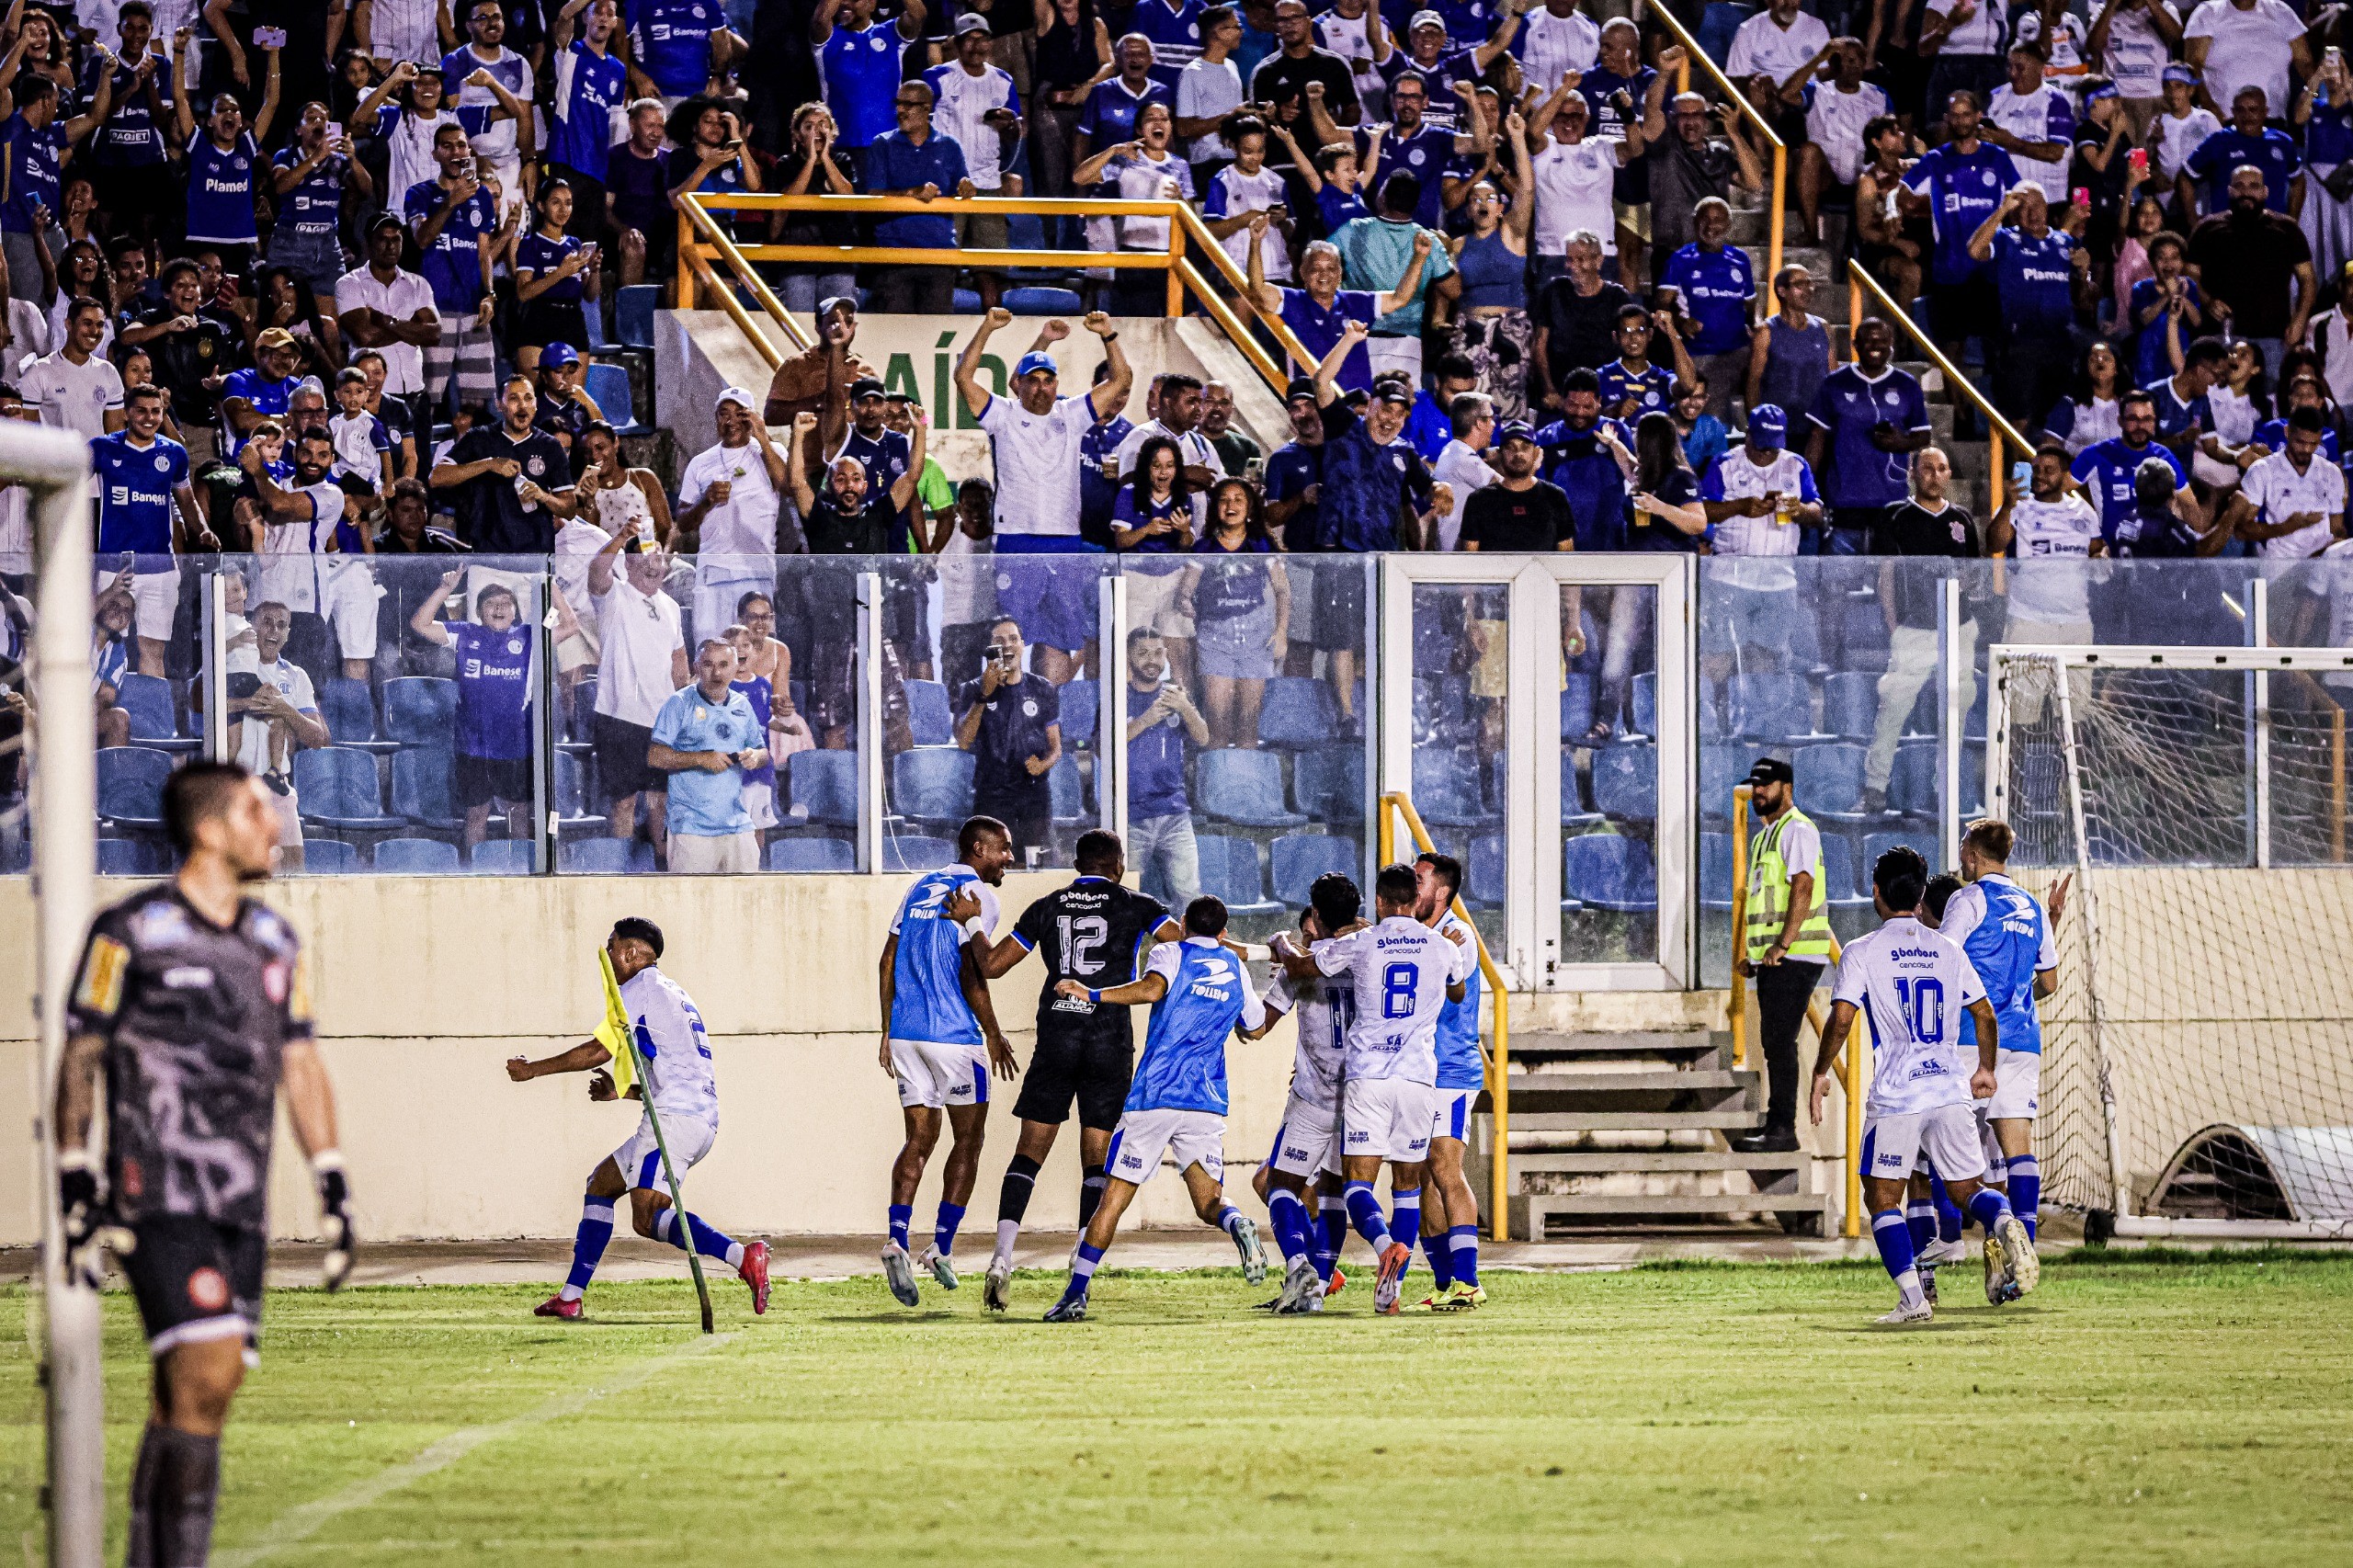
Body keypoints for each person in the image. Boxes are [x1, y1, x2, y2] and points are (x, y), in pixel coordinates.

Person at [54, 761, 354, 1567]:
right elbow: (83, 1053)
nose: (273, 826)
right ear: (212, 830)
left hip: (240, 1199)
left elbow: (300, 1061)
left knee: (189, 1392)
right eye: (258, 810)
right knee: (211, 1373)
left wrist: (330, 1174)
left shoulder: (272, 940)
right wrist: (76, 1173)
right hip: (157, 1191)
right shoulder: (130, 932)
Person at [957, 829, 1182, 1311]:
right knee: (1095, 1160)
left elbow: (992, 966)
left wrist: (974, 924)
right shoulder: (1137, 904)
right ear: (1118, 864)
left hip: (1057, 1038)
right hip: (1108, 1041)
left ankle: (1001, 1258)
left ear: (1078, 866)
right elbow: (1181, 940)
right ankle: (1078, 1268)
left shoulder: (1047, 906)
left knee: (1028, 1154)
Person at [1809, 845, 2035, 1324]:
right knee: (1967, 1188)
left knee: (1881, 1196)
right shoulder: (1948, 949)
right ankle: (2003, 1220)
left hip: (1899, 1096)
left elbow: (1843, 1017)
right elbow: (1983, 1012)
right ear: (1919, 896)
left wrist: (1820, 1072)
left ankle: (1913, 1301)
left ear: (1876, 893)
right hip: (1949, 1088)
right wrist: (1986, 1070)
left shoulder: (1862, 950)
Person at [506, 916, 770, 1319]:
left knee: (647, 1220)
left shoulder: (638, 988)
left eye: (612, 946)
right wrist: (621, 1092)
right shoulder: (671, 993)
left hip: (673, 1121)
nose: (608, 954)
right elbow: (670, 1071)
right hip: (689, 1116)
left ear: (630, 952)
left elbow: (599, 1050)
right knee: (601, 1184)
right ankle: (571, 1297)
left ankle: (741, 1256)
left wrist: (533, 1070)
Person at [1042, 892, 1272, 1321]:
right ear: (1223, 933)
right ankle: (1238, 1222)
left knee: (1112, 1200)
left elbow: (1152, 990)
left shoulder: (1170, 951)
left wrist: (1089, 993)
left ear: (1184, 924)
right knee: (1209, 1203)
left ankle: (1076, 1293)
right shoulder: (1235, 967)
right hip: (1205, 1102)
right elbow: (1256, 1028)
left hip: (1155, 1099)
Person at [1271, 860, 1470, 1313]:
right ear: (1416, 901)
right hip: (1420, 1079)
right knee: (1408, 1188)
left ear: (1380, 901)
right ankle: (1390, 1291)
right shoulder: (1442, 945)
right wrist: (1445, 958)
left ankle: (1384, 1248)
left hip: (1369, 1077)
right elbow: (1456, 991)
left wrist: (1281, 942)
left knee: (1356, 1184)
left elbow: (1303, 967)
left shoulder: (1364, 942)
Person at [877, 815, 1018, 1306]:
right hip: (954, 1037)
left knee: (917, 1139)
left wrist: (884, 1030)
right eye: (1003, 849)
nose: (1010, 858)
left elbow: (887, 958)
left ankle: (896, 1237)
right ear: (979, 848)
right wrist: (994, 1033)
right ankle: (940, 1247)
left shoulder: (919, 886)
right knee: (969, 1139)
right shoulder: (978, 895)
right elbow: (976, 971)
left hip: (906, 1034)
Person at [957, 308, 1131, 684]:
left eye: (1047, 380)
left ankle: (1049, 726)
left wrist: (1108, 334)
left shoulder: (1072, 413)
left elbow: (1121, 380)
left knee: (1057, 641)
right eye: (1032, 380)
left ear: (1057, 384)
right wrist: (987, 327)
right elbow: (963, 376)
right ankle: (1008, 722)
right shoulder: (1001, 415)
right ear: (1018, 384)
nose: (1040, 387)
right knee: (1010, 638)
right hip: (1016, 539)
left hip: (1065, 539)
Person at [1938, 818, 2063, 1275]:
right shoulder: (2031, 906)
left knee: (1945, 1138)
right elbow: (2048, 981)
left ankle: (1947, 1240)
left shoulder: (1968, 899)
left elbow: (1945, 959)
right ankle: (2023, 1250)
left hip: (1974, 1037)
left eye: (1963, 852)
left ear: (1972, 855)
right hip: (2024, 1038)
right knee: (2018, 1148)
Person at [1253, 871, 1360, 1312]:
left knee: (1278, 1185)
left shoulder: (1300, 966)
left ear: (1315, 914)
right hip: (1358, 1096)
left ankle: (1301, 1268)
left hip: (1314, 1096)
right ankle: (1315, 1288)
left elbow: (1256, 1025)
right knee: (1334, 1191)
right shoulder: (1369, 953)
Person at [1860, 448, 1980, 813]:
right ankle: (1875, 787)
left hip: (1958, 628)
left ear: (1948, 475)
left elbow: (1973, 574)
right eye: (1926, 468)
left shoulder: (1962, 519)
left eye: (1941, 468)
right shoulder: (1894, 516)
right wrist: (1895, 626)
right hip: (1913, 631)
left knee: (1956, 710)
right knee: (1894, 707)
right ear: (1912, 472)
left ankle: (1943, 791)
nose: (1934, 474)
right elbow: (1887, 574)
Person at [1733, 756, 1829, 1155]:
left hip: (1797, 955)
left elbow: (1802, 890)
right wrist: (1754, 956)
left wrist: (1783, 944)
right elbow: (1765, 901)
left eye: (1765, 785)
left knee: (1779, 1041)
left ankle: (1781, 1129)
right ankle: (1778, 1127)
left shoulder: (1798, 831)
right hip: (1775, 959)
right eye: (1754, 785)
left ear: (1785, 788)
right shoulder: (1764, 837)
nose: (1757, 792)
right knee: (1775, 1042)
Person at [1900, 92, 2021, 405]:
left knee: (1998, 345)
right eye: (1954, 115)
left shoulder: (1997, 157)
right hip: (1948, 268)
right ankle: (1959, 413)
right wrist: (1900, 208)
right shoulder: (1936, 159)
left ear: (1979, 116)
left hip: (1991, 268)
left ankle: (1998, 409)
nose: (1960, 121)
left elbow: (2020, 197)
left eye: (1966, 114)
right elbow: (1904, 191)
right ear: (1947, 119)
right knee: (1952, 347)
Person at [1404, 850, 1484, 1313]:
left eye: (1418, 879)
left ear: (1441, 890)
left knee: (1445, 1168)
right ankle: (1444, 1282)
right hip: (1418, 1070)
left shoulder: (1459, 936)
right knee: (1420, 1177)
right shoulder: (1420, 934)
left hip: (1451, 1071)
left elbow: (1453, 986)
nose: (1412, 887)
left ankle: (1469, 1280)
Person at [408, 572, 535, 855]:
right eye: (491, 603)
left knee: (518, 814)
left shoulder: (529, 636)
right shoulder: (465, 633)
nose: (499, 608)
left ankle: (521, 875)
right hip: (473, 746)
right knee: (477, 815)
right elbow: (420, 624)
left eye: (506, 602)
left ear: (516, 611)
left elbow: (570, 625)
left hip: (515, 745)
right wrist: (444, 588)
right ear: (478, 612)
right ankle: (477, 871)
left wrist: (547, 584)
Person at [91, 385, 213, 678]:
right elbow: (69, 488)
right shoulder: (102, 447)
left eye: (156, 411)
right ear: (127, 413)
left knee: (153, 651)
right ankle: (95, 717)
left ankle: (146, 723)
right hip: (113, 566)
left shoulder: (174, 453)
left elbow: (187, 502)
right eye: (141, 410)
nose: (149, 417)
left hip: (160, 567)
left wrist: (204, 531)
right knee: (98, 642)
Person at [585, 528, 688, 855]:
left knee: (661, 804)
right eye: (642, 557)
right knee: (624, 804)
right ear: (627, 564)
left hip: (662, 722)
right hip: (619, 719)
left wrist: (683, 711)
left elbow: (679, 663)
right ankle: (621, 874)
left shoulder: (671, 607)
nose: (651, 564)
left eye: (656, 557)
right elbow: (597, 570)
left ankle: (661, 868)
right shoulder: (613, 595)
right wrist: (620, 536)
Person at [1307, 321, 1449, 553]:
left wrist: (1441, 489)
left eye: (1399, 414)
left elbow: (1428, 485)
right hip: (1333, 551)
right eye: (1386, 409)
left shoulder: (1404, 451)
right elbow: (1320, 382)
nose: (1390, 419)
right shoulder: (1344, 426)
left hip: (1382, 555)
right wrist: (1349, 340)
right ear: (1371, 405)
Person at [1989, 444, 2105, 722]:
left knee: (2074, 714)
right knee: (2018, 716)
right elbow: (1993, 542)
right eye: (2036, 469)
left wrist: (2101, 557)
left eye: (2049, 470)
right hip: (2029, 622)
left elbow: (2096, 551)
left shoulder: (2084, 512)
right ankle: (2010, 768)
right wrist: (2008, 505)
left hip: (2076, 624)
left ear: (2065, 476)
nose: (2040, 475)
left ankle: (2071, 767)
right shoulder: (2018, 508)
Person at [1245, 222, 1430, 394]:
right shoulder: (1292, 300)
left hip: (1357, 404)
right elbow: (1259, 290)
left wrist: (1419, 257)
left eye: (1331, 268)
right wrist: (1255, 242)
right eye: (1316, 268)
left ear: (1340, 273)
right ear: (1303, 272)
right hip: (1312, 400)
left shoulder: (1356, 301)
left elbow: (1399, 298)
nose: (1323, 275)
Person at [1803, 317, 1932, 556]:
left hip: (1891, 501)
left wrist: (1901, 442)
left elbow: (1923, 436)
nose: (1876, 346)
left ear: (1891, 345)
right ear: (1855, 345)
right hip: (1843, 501)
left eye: (1882, 341)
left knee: (1887, 583)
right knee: (1836, 582)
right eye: (1869, 341)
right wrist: (1806, 486)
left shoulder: (1906, 384)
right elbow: (1817, 437)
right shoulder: (1834, 383)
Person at [404, 122, 502, 419]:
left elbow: (483, 252)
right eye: (447, 146)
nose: (456, 152)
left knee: (476, 400)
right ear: (435, 154)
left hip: (473, 309)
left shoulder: (483, 197)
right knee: (427, 398)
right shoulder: (418, 194)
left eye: (461, 145)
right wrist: (450, 202)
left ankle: (467, 462)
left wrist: (489, 294)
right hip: (435, 311)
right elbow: (421, 239)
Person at [648, 637, 768, 872]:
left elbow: (762, 752)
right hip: (692, 828)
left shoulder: (742, 705)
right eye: (708, 664)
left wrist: (755, 755)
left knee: (746, 903)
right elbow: (655, 756)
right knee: (692, 905)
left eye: (724, 665)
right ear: (696, 667)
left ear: (735, 668)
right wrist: (701, 758)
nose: (716, 673)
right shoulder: (679, 703)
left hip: (737, 824)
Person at [676, 386, 788, 638]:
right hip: (713, 569)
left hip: (756, 570)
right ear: (716, 418)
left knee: (757, 649)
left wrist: (762, 436)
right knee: (711, 648)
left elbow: (787, 486)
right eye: (724, 414)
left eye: (740, 414)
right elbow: (682, 522)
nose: (731, 421)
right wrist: (706, 501)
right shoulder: (701, 462)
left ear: (752, 417)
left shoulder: (772, 453)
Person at [2186, 166, 2315, 379]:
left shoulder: (2287, 228)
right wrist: (2207, 300)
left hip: (2273, 337)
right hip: (2220, 337)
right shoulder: (2206, 228)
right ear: (2229, 191)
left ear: (2265, 192)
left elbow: (2308, 278)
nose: (2246, 192)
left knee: (2271, 401)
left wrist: (2300, 319)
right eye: (2239, 186)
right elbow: (2190, 275)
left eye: (2253, 186)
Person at [956, 616, 1063, 865]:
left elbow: (1056, 747)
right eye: (999, 640)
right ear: (990, 648)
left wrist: (1043, 764)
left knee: (1036, 868)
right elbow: (963, 741)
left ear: (1023, 645)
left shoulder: (1043, 689)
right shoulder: (972, 689)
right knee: (993, 869)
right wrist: (985, 693)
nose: (1007, 646)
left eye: (1013, 639)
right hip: (992, 794)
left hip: (1034, 794)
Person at [429, 373, 576, 553]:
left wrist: (543, 496)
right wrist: (489, 464)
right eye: (514, 398)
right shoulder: (479, 437)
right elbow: (436, 477)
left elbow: (569, 509)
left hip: (535, 560)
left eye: (528, 398)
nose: (522, 406)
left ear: (536, 404)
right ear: (499, 404)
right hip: (487, 560)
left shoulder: (550, 446)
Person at [1120, 626, 1209, 902]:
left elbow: (1203, 737)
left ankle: (1193, 945)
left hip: (1174, 812)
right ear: (1128, 657)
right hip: (1131, 815)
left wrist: (1185, 707)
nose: (1152, 660)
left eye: (1158, 653)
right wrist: (1145, 720)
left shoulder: (1176, 695)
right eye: (1143, 653)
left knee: (1189, 895)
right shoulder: (1118, 696)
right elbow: (1103, 748)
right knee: (1126, 897)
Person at [1659, 199, 1757, 426]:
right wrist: (1682, 321)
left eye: (1718, 219)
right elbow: (1662, 304)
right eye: (1705, 218)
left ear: (1729, 224)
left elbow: (1750, 305)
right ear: (1694, 223)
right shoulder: (1680, 259)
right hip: (1702, 355)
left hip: (1739, 351)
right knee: (1710, 421)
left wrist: (1756, 330)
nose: (1711, 225)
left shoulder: (1740, 260)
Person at [2224, 405, 2347, 560]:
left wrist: (2336, 545)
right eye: (2300, 442)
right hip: (2279, 564)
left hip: (2321, 566)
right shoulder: (2262, 470)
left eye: (2314, 443)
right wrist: (2287, 527)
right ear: (2287, 432)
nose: (2307, 449)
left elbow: (2337, 529)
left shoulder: (2331, 473)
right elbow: (2242, 531)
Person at [2070, 388, 2191, 542]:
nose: (2140, 426)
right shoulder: (2097, 454)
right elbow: (2057, 487)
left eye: (2147, 419)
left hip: (2156, 552)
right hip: (2113, 552)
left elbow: (2190, 506)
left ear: (2155, 422)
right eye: (2133, 419)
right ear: (2120, 420)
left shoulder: (2165, 456)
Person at [1531, 230, 1631, 412]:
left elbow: (1628, 348)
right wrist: (1549, 390)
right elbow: (1540, 344)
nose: (1573, 266)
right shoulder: (1553, 291)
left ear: (1598, 261)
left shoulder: (1617, 297)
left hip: (1603, 393)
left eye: (1580, 259)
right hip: (1560, 394)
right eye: (1569, 259)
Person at [1458, 418, 1569, 551]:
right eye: (1510, 447)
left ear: (1536, 453)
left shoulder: (1555, 497)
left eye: (1525, 447)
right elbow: (1469, 559)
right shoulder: (1479, 500)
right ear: (1499, 454)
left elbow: (1566, 557)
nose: (1518, 454)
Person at [1746, 265, 1832, 428]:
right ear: (1782, 291)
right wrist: (1756, 423)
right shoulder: (1766, 332)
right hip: (1778, 426)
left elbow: (1832, 375)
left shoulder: (1824, 327)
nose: (1808, 290)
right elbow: (1753, 382)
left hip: (1815, 425)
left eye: (1809, 284)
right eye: (1800, 285)